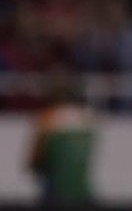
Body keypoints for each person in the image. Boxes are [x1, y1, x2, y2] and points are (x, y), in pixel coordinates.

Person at [25, 73, 96, 205]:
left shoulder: (47, 119)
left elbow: (34, 160)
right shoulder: (86, 119)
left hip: (55, 192)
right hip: (82, 191)